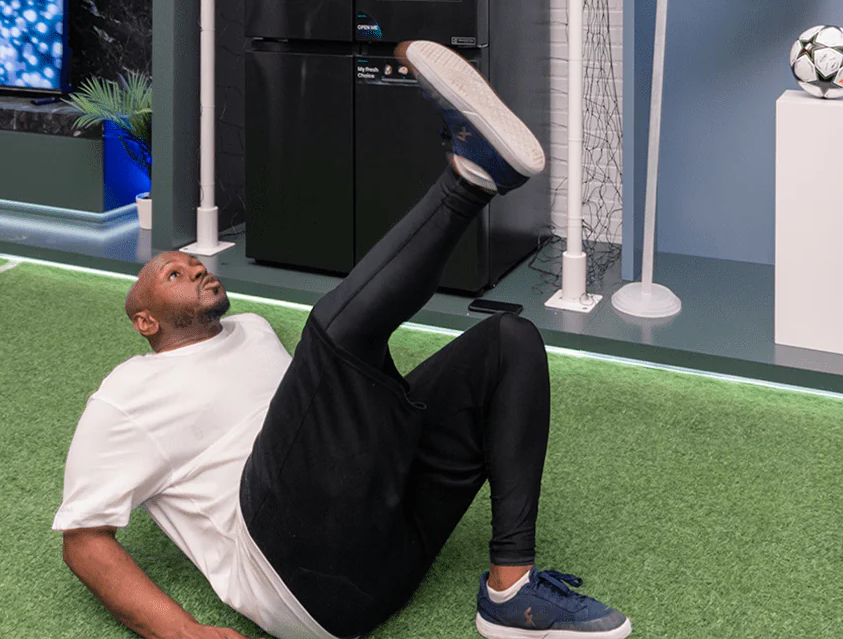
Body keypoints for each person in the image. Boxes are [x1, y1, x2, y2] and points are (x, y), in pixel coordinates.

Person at [54, 40, 632, 639]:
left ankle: (512, 592)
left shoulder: (250, 331)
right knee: (332, 335)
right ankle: (471, 179)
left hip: (386, 548)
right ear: (145, 321)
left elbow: (331, 430)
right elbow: (84, 541)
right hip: (301, 579)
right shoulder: (125, 394)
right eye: (172, 272)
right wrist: (184, 633)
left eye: (193, 263)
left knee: (508, 342)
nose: (197, 267)